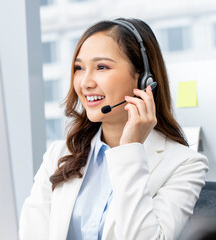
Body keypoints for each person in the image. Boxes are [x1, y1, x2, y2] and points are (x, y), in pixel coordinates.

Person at [19, 18, 209, 240]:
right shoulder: (59, 155)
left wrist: (130, 150)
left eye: (101, 67)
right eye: (79, 68)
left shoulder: (184, 165)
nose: (85, 82)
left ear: (143, 78)